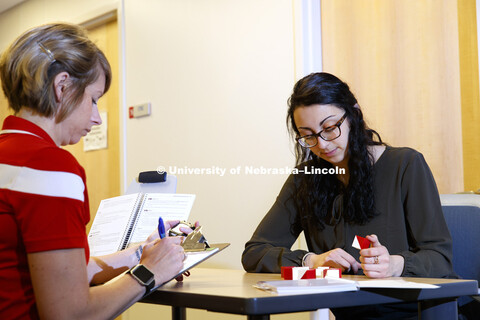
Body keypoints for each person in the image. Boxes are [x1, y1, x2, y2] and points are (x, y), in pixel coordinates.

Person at [0, 23, 187, 319]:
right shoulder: (48, 166)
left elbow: (61, 271)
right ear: (62, 86)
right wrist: (151, 272)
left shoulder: (8, 155)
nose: (97, 118)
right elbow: (70, 313)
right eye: (93, 99)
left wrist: (141, 254)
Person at [241, 72, 456, 319]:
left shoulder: (405, 165)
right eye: (308, 135)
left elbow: (440, 259)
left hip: (420, 313)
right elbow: (255, 252)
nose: (321, 144)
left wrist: (395, 264)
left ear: (354, 114)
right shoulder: (305, 178)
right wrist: (311, 261)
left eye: (330, 128)